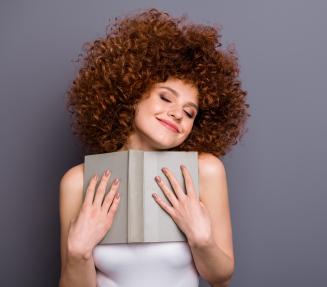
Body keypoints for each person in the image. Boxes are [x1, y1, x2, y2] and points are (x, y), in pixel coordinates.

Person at [59, 8, 249, 287]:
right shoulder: (78, 181)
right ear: (133, 92)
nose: (177, 114)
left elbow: (221, 277)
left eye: (189, 112)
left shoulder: (204, 171)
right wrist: (78, 252)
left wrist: (201, 239)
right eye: (165, 97)